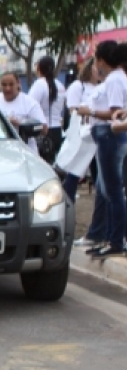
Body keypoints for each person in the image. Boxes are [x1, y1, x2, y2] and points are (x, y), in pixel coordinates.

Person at [76, 40, 127, 258]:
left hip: (110, 137)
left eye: (96, 59)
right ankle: (107, 236)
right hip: (105, 138)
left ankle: (116, 240)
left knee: (113, 191)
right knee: (106, 190)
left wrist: (92, 111)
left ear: (102, 61)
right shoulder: (113, 79)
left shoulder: (115, 80)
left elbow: (116, 113)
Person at [61, 58, 101, 203]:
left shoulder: (101, 87)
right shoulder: (78, 86)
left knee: (98, 172)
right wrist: (86, 112)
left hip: (97, 135)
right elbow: (73, 109)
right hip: (83, 135)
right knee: (75, 171)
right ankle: (68, 202)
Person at [0, 71, 47, 154]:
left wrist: (20, 124)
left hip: (25, 152)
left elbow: (44, 129)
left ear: (18, 83)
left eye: (11, 84)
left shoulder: (29, 103)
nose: (8, 88)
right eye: (4, 85)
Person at [28, 55, 67, 164]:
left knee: (41, 165)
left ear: (39, 67)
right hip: (57, 130)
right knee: (53, 163)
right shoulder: (60, 85)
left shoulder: (39, 84)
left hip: (42, 130)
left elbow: (30, 106)